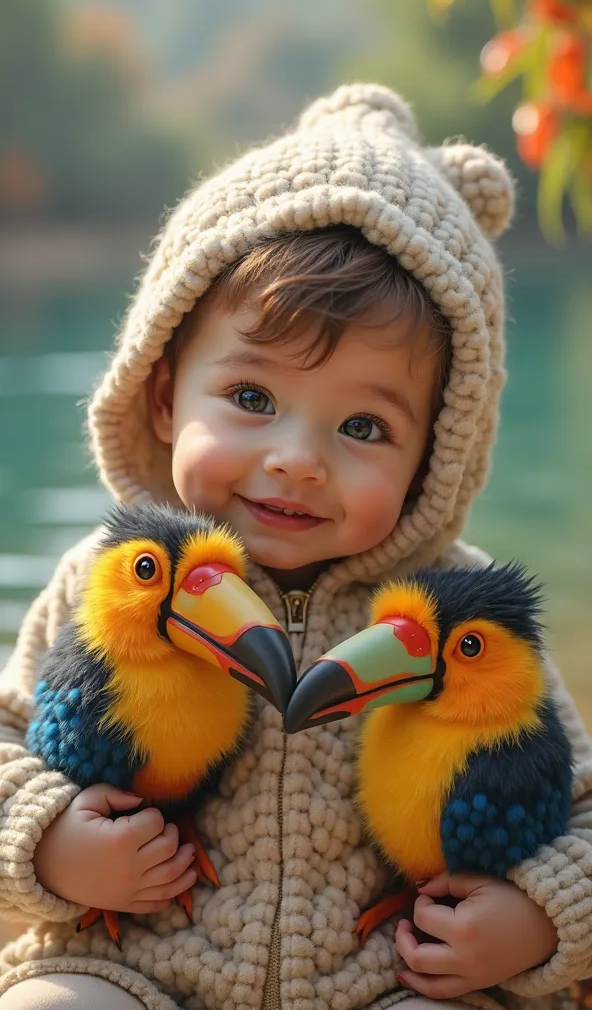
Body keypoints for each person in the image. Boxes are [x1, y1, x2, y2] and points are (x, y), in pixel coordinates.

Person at [0, 84, 590, 1010]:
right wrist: (48, 839)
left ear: (436, 454)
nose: (297, 461)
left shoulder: (461, 614)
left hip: (389, 982)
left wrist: (537, 918)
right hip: (129, 968)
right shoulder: (108, 580)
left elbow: (578, 812)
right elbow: (6, 743)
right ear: (164, 397)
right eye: (251, 399)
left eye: (363, 424)